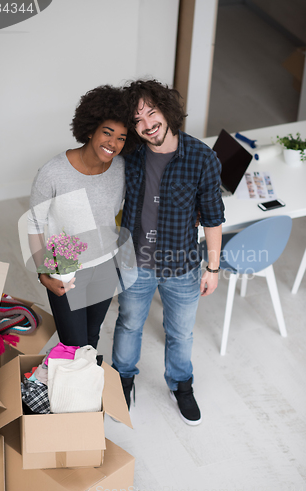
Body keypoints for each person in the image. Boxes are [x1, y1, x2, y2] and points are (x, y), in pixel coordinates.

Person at [112, 79, 225, 425]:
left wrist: (213, 267)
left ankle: (181, 384)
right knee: (129, 323)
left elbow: (213, 216)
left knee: (181, 332)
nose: (147, 124)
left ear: (166, 110)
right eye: (138, 120)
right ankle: (122, 380)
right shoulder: (129, 155)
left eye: (152, 112)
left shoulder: (202, 158)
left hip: (182, 267)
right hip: (135, 261)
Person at [27, 85, 136, 350]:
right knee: (72, 345)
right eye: (107, 133)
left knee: (90, 340)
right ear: (90, 130)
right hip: (66, 267)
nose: (113, 143)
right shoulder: (53, 172)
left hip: (106, 265)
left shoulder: (122, 168)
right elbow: (34, 224)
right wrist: (44, 273)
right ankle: (65, 389)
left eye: (121, 138)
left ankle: (83, 390)